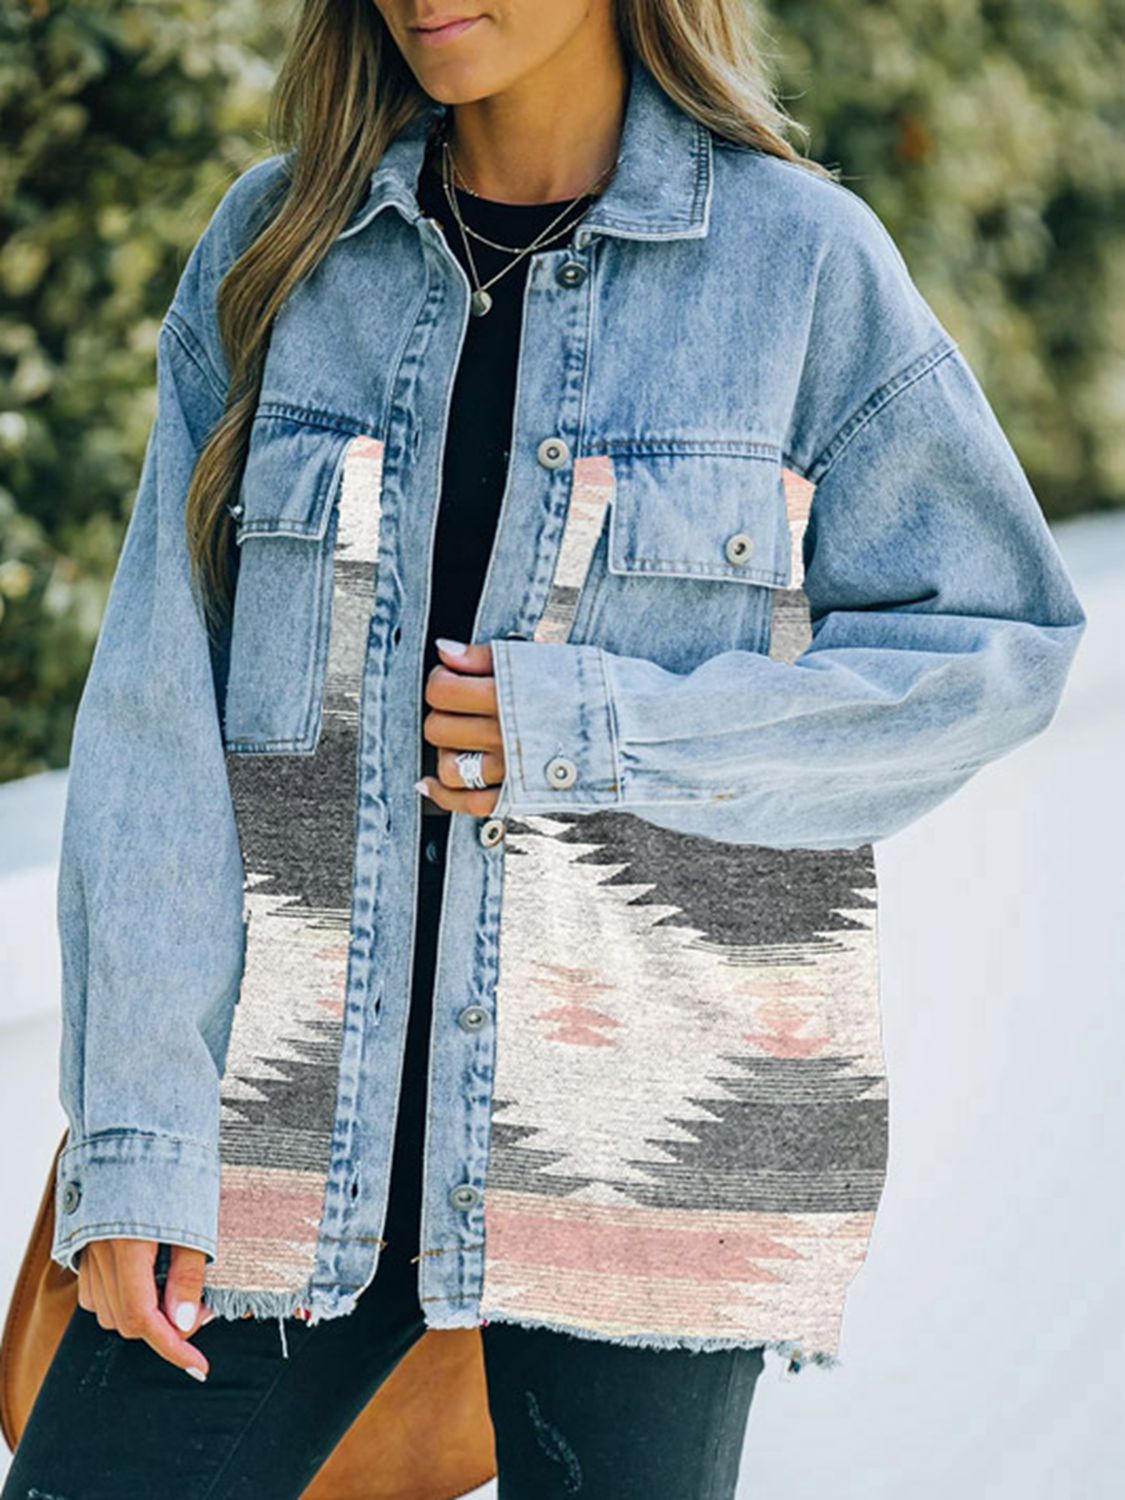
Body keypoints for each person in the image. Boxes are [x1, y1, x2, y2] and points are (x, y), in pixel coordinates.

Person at [4, 1, 1087, 1496]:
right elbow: (153, 713)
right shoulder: (282, 247)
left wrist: (601, 732)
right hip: (269, 1140)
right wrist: (137, 1134)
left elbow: (995, 639)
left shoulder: (798, 265)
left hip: (646, 1162)